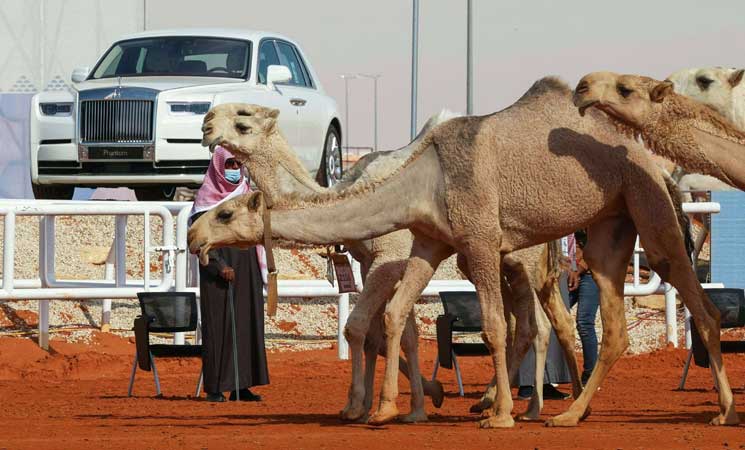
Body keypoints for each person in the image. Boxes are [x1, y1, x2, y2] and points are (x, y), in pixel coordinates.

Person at [191, 146, 269, 403]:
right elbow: (198, 239)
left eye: (238, 165)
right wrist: (219, 265)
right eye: (230, 165)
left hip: (246, 272)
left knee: (247, 327)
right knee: (219, 329)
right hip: (218, 276)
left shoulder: (247, 196)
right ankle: (215, 387)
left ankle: (241, 386)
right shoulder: (206, 201)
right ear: (218, 167)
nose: (235, 170)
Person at [566, 230, 600, 386]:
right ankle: (550, 374)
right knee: (550, 319)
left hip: (590, 272)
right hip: (567, 271)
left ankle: (590, 375)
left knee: (584, 322)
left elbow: (598, 244)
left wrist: (578, 269)